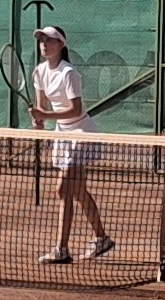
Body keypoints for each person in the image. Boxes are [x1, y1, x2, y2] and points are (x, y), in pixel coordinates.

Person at [27, 23, 113, 264]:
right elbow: (42, 106)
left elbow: (76, 109)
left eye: (50, 40)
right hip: (62, 134)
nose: (44, 44)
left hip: (81, 131)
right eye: (41, 40)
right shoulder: (39, 72)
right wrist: (39, 121)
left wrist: (46, 116)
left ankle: (61, 249)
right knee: (76, 190)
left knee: (63, 189)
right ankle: (102, 238)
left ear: (61, 44)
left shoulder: (69, 73)